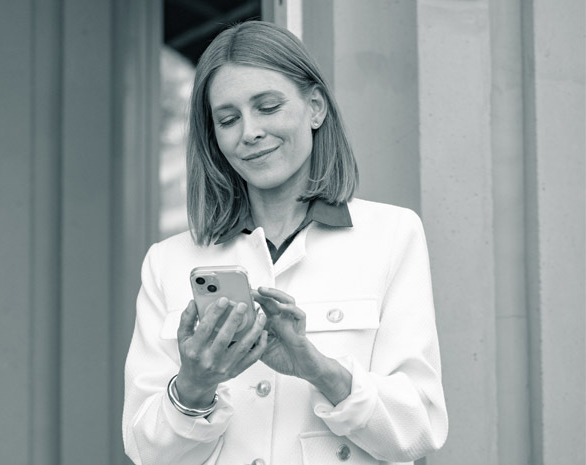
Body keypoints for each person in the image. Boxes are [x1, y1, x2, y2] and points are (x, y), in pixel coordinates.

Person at [123, 21, 448, 465]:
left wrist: (317, 368)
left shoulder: (392, 235)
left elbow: (418, 430)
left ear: (315, 107)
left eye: (268, 107)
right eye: (228, 119)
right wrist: (194, 387)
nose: (249, 132)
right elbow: (145, 452)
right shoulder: (168, 261)